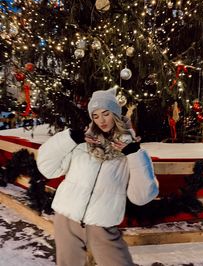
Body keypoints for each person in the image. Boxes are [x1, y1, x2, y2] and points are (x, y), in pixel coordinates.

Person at [37, 88, 159, 266]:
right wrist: (70, 138)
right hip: (67, 218)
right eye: (95, 115)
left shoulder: (129, 148)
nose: (101, 120)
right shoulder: (82, 143)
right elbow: (47, 167)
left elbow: (141, 196)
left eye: (105, 113)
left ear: (115, 114)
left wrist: (134, 154)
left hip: (102, 225)